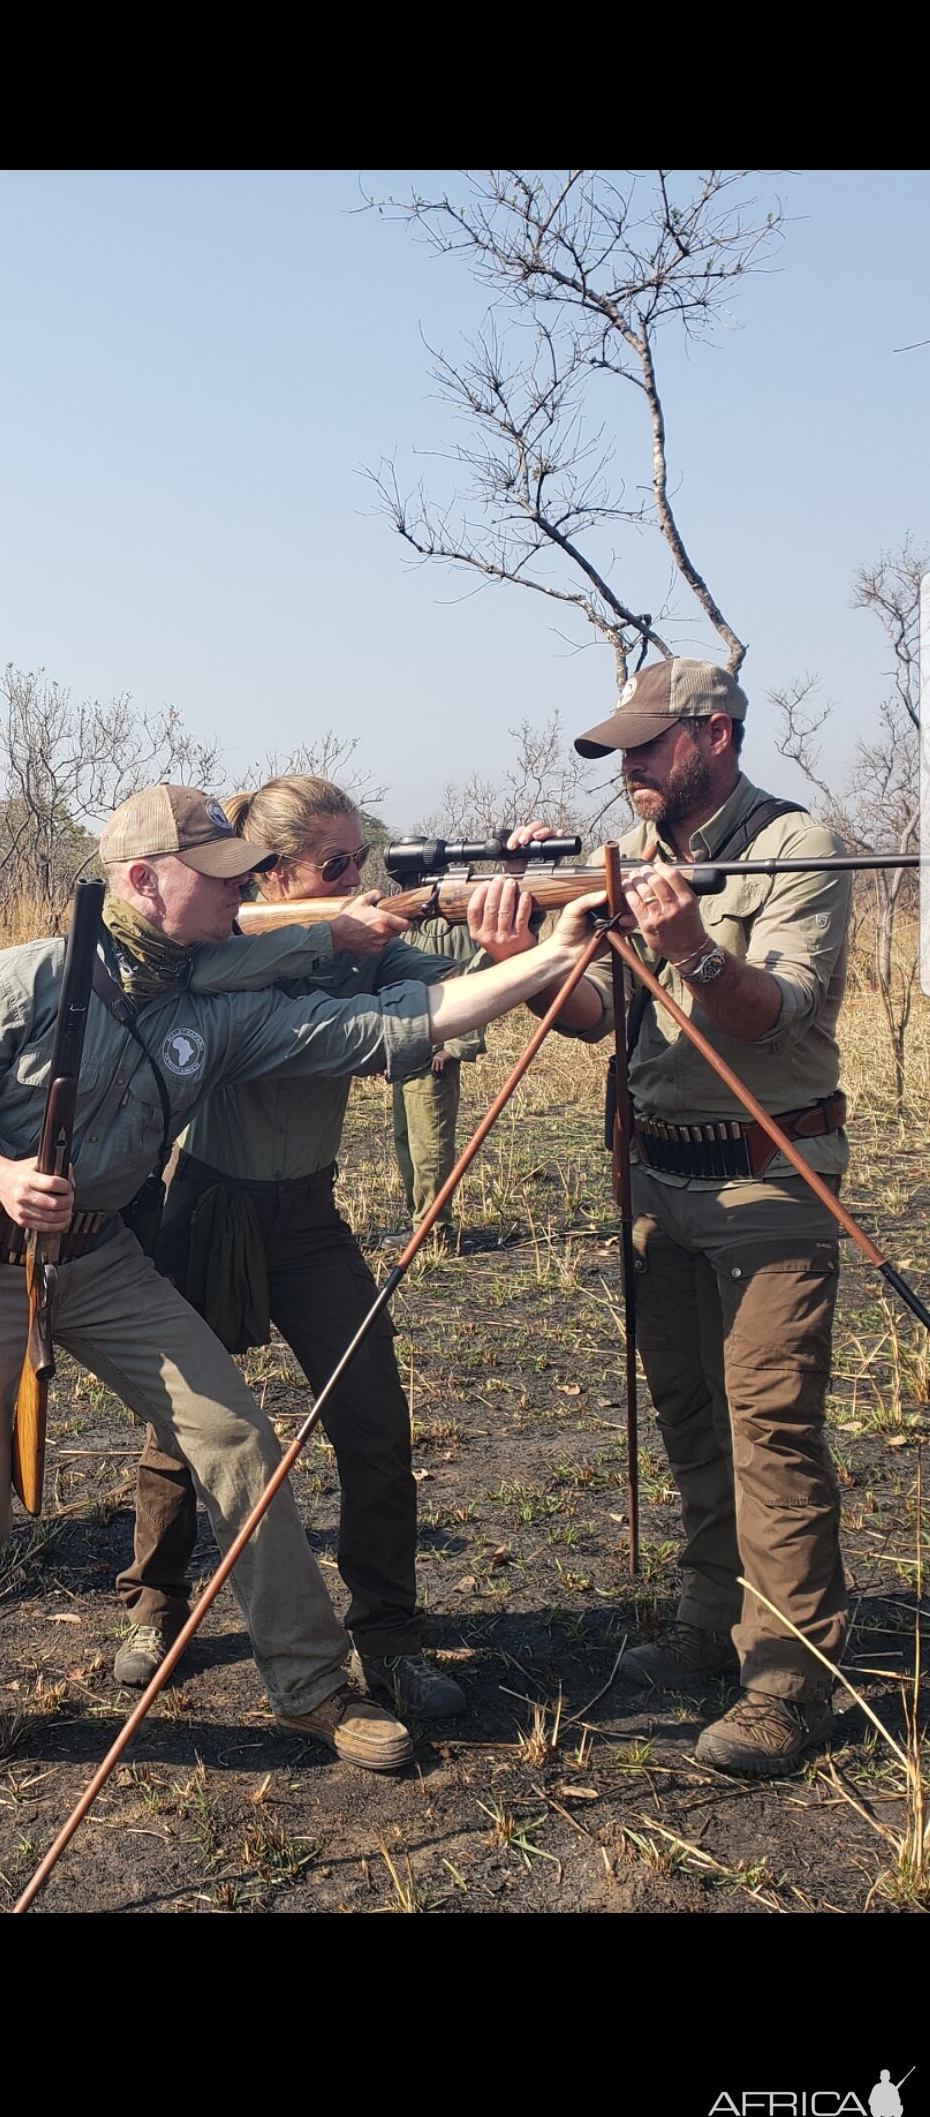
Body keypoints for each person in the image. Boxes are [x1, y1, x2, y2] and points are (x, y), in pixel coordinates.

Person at [0, 782, 590, 1795]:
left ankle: (310, 1687)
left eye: (241, 873)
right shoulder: (25, 980)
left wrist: (550, 960)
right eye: (212, 877)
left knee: (239, 1441)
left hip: (103, 1257)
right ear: (141, 881)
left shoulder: (213, 1014)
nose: (235, 891)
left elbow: (395, 1026)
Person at [475, 661, 852, 1779]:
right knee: (689, 1407)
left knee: (771, 1425)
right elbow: (598, 1021)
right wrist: (522, 956)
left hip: (766, 1180)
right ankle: (708, 1618)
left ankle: (789, 1682)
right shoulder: (637, 862)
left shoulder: (797, 848)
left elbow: (778, 1014)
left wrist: (692, 945)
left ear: (716, 737)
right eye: (621, 751)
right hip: (658, 1181)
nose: (629, 767)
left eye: (648, 746)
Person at [114, 777, 480, 1721]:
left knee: (375, 1423)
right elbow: (205, 976)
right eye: (336, 864)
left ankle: (390, 1633)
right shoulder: (219, 944)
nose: (361, 878)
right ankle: (154, 1604)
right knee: (179, 1427)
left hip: (310, 1218)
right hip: (210, 1206)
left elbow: (443, 996)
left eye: (362, 858)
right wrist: (324, 932)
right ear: (269, 874)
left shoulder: (360, 952)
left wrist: (510, 936)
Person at [386, 913, 486, 1254]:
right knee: (407, 1142)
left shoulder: (454, 925)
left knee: (431, 1147)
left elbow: (470, 979)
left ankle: (435, 1231)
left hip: (434, 1057)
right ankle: (419, 1222)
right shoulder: (406, 926)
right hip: (405, 1049)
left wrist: (454, 1046)